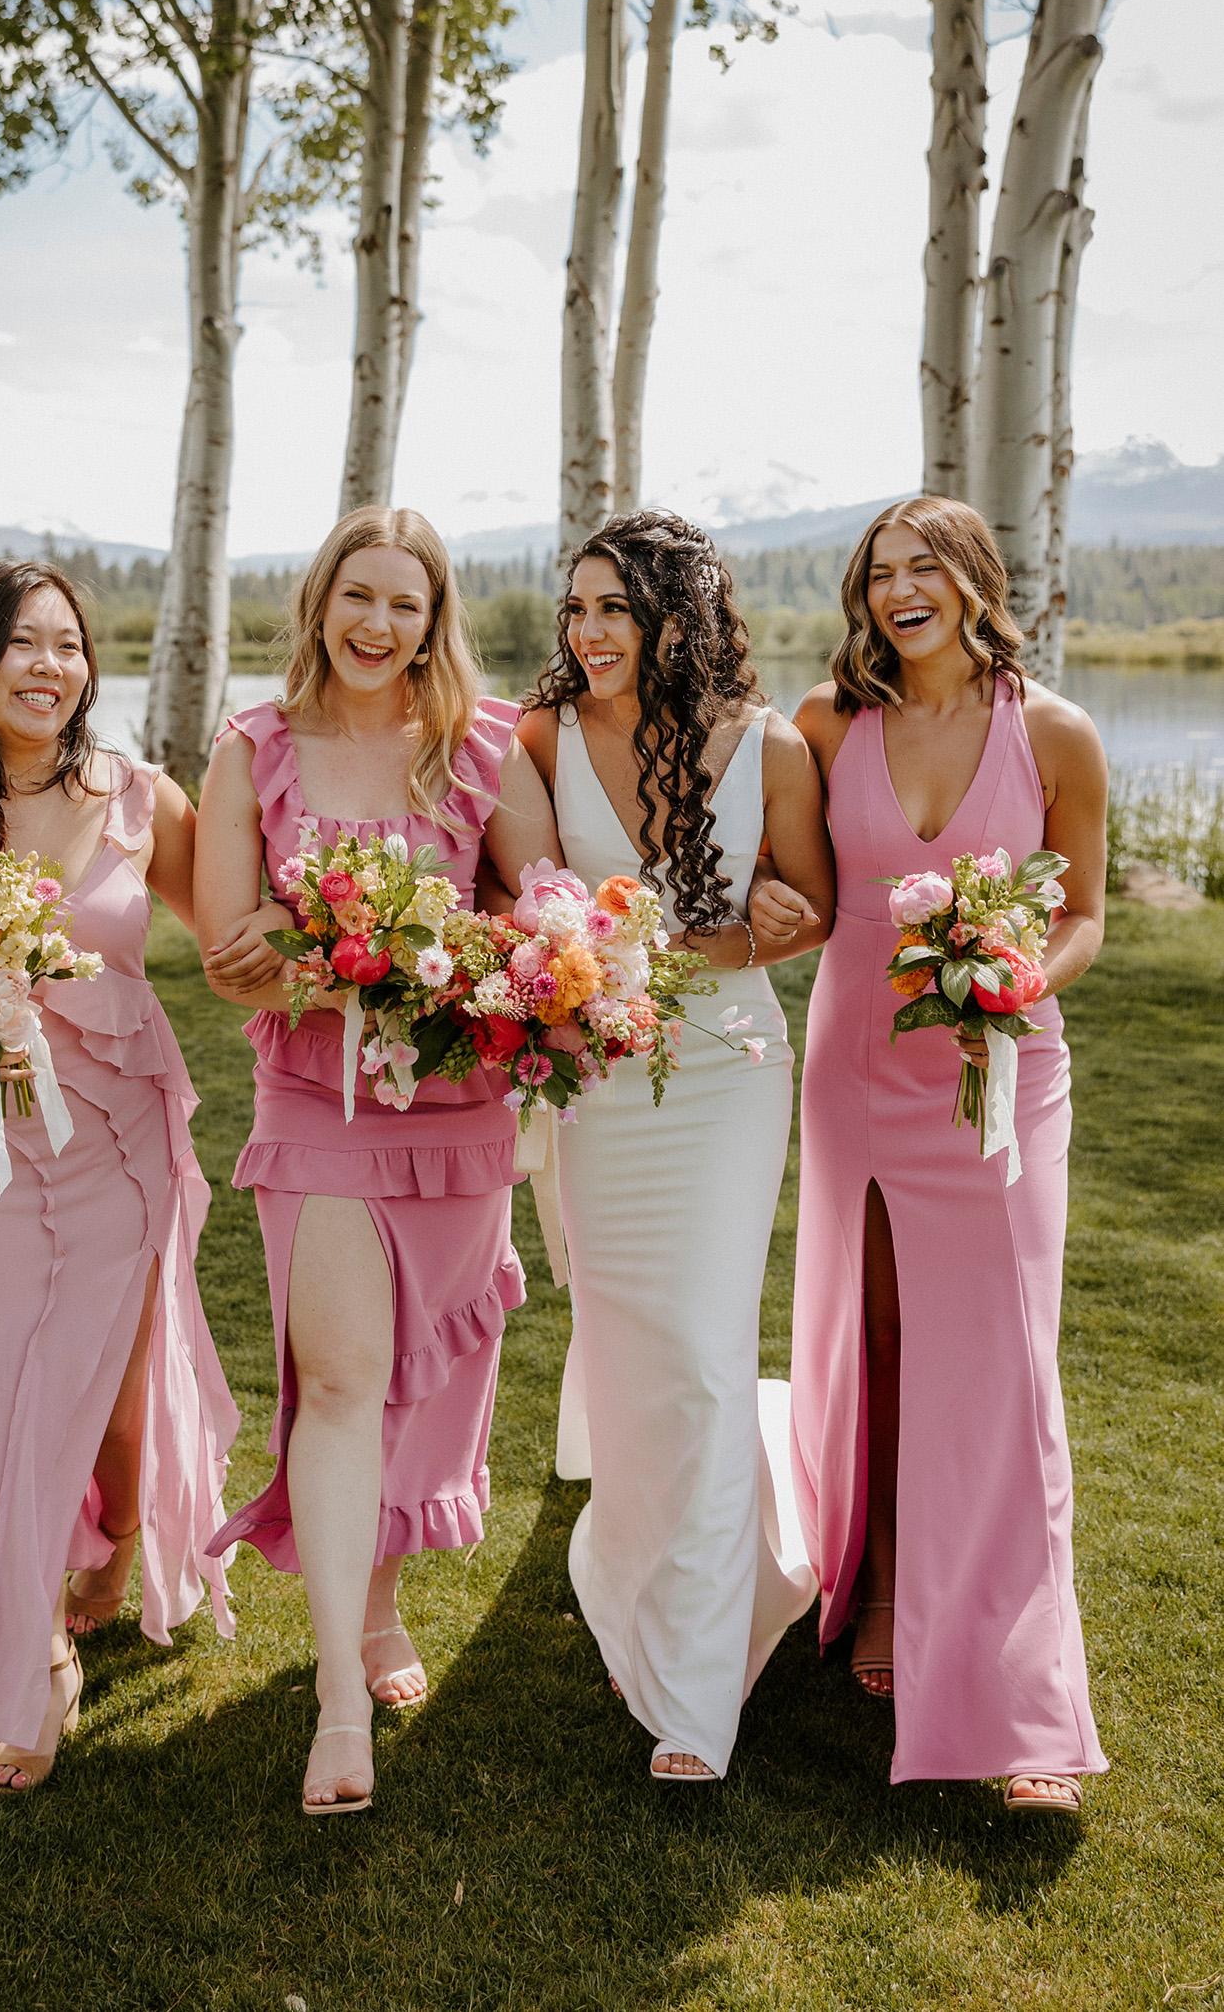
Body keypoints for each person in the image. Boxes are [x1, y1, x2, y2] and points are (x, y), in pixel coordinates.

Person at [0, 561, 236, 1794]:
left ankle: (114, 1546)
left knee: (111, 1393)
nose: (48, 665)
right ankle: (35, 1655)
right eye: (19, 643)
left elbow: (229, 932)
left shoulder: (144, 798)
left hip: (119, 1138)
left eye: (68, 642)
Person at [194, 505, 563, 1818]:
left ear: (435, 615)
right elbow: (226, 941)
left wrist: (446, 962)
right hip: (316, 1108)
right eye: (359, 595)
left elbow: (544, 915)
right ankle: (338, 1693)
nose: (378, 624)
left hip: (458, 1111)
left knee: (425, 1381)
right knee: (342, 1378)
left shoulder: (485, 745)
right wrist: (329, 964)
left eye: (406, 603)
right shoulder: (255, 748)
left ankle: (381, 1602)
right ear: (321, 600)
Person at [767, 497, 1108, 1814]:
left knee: (1013, 1362)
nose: (899, 588)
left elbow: (1080, 912)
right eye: (880, 572)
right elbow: (794, 898)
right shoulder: (824, 724)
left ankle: (1030, 1704)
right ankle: (891, 1580)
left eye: (924, 566)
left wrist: (1025, 970)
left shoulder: (1057, 732)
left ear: (977, 579)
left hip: (1002, 1078)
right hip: (857, 1069)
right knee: (889, 1338)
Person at [516, 509, 835, 1784]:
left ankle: (697, 1692)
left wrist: (767, 925)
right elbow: (527, 903)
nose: (590, 633)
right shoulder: (538, 737)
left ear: (678, 619)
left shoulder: (773, 747)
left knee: (704, 1354)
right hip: (599, 1076)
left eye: (615, 610)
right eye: (577, 609)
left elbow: (808, 915)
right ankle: (625, 1563)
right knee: (627, 1337)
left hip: (727, 1073)